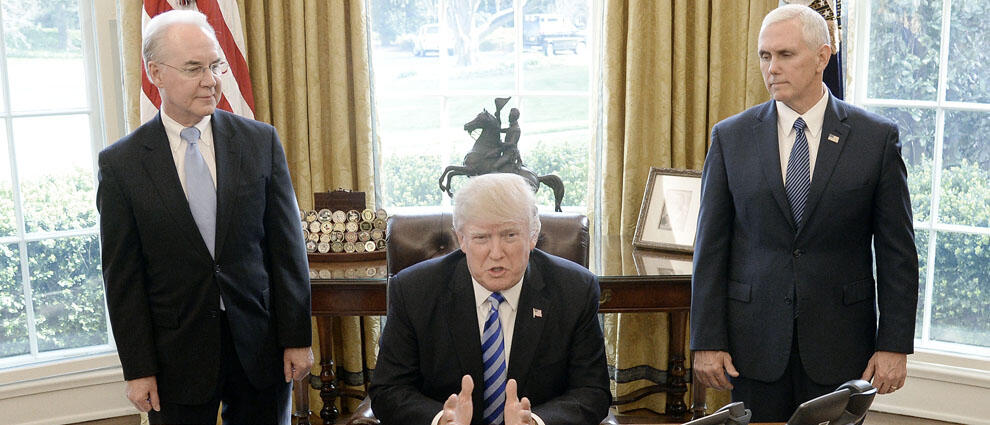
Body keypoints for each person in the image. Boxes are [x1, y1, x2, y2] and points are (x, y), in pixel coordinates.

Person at [690, 4, 918, 421]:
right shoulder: (730, 137)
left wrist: (895, 344)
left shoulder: (876, 139)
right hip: (753, 345)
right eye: (764, 56)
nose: (771, 68)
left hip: (841, 344)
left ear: (822, 57)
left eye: (785, 55)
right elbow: (710, 247)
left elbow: (897, 253)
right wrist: (706, 338)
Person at [96, 10, 313, 424]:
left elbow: (287, 251)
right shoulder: (121, 164)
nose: (211, 79)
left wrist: (297, 338)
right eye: (194, 68)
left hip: (260, 343)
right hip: (175, 355)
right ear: (155, 73)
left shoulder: (260, 141)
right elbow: (122, 276)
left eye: (215, 65)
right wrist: (138, 367)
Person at [369, 173, 611, 425]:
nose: (496, 253)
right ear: (461, 239)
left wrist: (537, 422)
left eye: (510, 235)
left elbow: (592, 392)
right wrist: (442, 420)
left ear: (532, 235)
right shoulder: (414, 291)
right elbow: (388, 390)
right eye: (481, 238)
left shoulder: (575, 290)